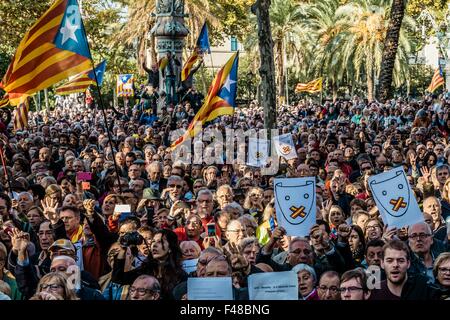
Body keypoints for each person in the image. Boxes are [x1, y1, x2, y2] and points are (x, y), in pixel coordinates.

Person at [369, 240, 442, 300]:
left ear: (408, 263)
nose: (395, 265)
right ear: (382, 263)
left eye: (400, 261)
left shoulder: (424, 287)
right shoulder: (374, 293)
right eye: (390, 260)